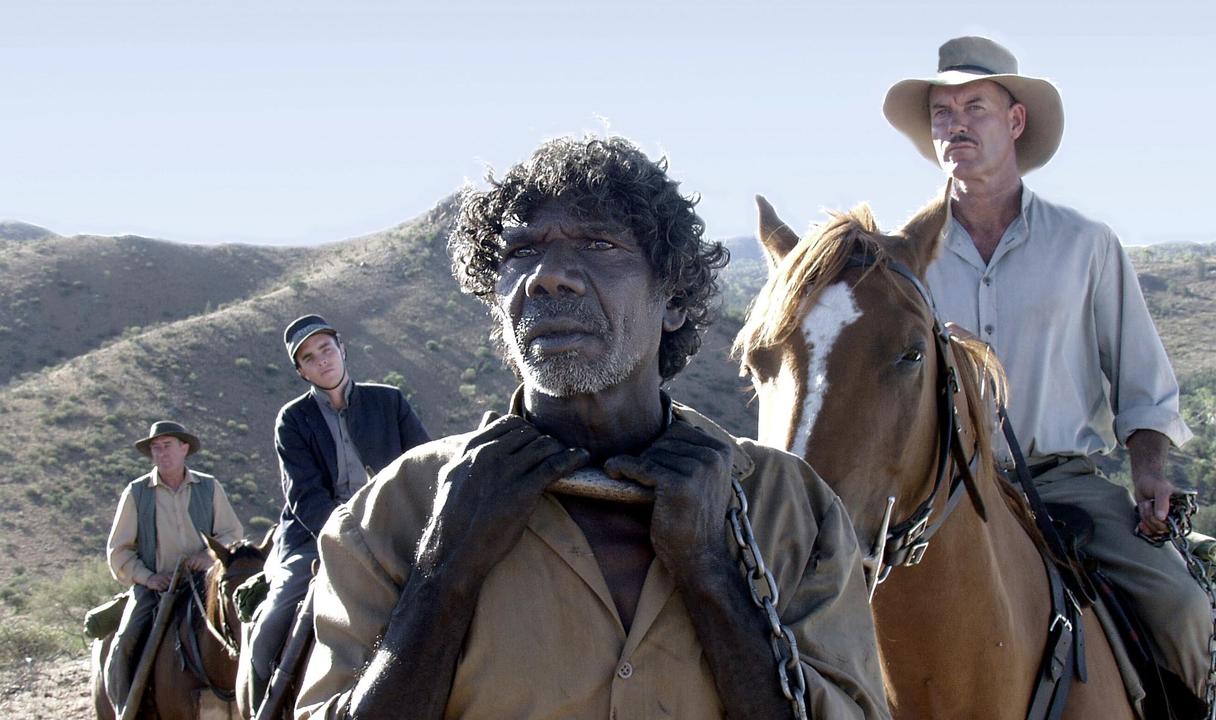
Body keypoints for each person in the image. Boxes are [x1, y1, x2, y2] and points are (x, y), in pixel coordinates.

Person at [294, 136, 889, 719]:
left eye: (600, 245)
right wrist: (445, 572)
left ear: (674, 297)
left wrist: (709, 571)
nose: (549, 277)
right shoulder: (392, 515)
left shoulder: (791, 509)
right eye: (521, 252)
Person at [883, 35, 1216, 716]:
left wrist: (1151, 471)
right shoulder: (900, 262)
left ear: (1015, 121)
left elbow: (1141, 382)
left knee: (1183, 607)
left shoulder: (1085, 245)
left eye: (973, 106)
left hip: (1062, 484)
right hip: (940, 496)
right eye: (942, 111)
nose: (955, 123)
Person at [243, 314, 431, 711]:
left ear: (342, 349)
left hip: (393, 529)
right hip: (315, 538)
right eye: (309, 358)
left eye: (325, 349)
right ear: (301, 371)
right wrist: (348, 536)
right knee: (272, 625)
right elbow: (305, 496)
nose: (322, 361)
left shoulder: (389, 401)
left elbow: (423, 465)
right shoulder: (292, 421)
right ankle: (264, 707)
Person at [104, 420, 245, 714]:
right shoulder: (136, 492)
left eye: (167, 446)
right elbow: (118, 551)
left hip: (204, 582)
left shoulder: (209, 486)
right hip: (156, 588)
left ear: (184, 449)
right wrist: (149, 578)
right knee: (126, 640)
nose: (161, 453)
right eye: (155, 448)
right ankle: (125, 709)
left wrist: (208, 556)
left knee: (246, 622)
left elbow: (232, 533)